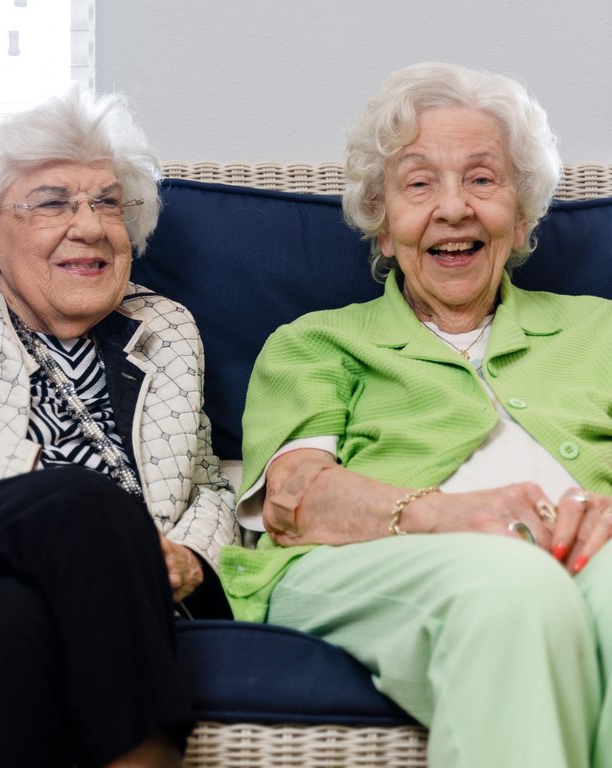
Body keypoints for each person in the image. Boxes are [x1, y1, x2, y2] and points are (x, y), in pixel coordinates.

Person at [220, 62, 612, 767]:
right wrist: (445, 515)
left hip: (581, 554)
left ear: (521, 216)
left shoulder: (599, 330)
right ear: (381, 223)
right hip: (367, 564)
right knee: (513, 587)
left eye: (483, 180)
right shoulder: (318, 341)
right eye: (420, 183)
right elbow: (294, 501)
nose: (454, 209)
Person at [0, 87, 239, 768]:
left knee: (5, 624)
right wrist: (34, 488)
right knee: (81, 501)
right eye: (54, 202)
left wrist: (189, 557)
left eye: (107, 202)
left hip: (71, 593)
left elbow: (207, 486)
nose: (89, 225)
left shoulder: (165, 328)